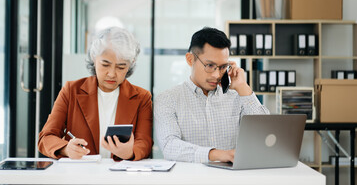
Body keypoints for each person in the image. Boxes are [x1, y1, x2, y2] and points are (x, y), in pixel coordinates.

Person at [154, 27, 269, 163]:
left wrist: (243, 88)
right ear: (190, 59)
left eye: (223, 67)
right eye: (209, 65)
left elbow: (266, 134)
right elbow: (170, 146)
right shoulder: (167, 99)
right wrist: (219, 155)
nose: (216, 75)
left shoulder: (237, 97)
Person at [38, 27, 152, 161]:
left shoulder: (142, 97)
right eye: (105, 64)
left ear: (131, 64)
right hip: (81, 175)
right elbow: (46, 138)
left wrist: (130, 153)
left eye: (121, 67)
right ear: (94, 58)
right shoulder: (71, 91)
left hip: (121, 177)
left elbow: (145, 142)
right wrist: (66, 149)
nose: (112, 74)